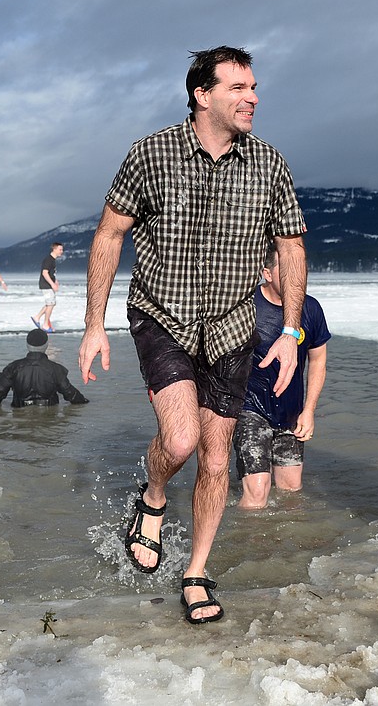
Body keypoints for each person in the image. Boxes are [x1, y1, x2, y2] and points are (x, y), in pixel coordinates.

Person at [79, 46, 307, 625]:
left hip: (232, 326)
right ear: (202, 95)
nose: (251, 96)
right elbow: (109, 235)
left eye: (254, 87)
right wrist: (93, 324)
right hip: (164, 314)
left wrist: (291, 331)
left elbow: (292, 246)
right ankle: (152, 498)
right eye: (237, 87)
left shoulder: (269, 164)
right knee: (179, 441)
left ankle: (196, 572)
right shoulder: (150, 154)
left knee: (215, 458)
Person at [233, 245, 330, 509]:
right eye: (287, 269)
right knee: (257, 493)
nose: (297, 275)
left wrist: (308, 411)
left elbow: (318, 360)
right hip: (249, 408)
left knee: (291, 492)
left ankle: (286, 550)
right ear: (267, 273)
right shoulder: (247, 306)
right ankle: (247, 546)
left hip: (291, 413)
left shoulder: (310, 308)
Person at [0, 328, 89, 407]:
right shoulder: (56, 369)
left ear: (27, 345)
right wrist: (85, 401)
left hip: (21, 418)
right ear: (46, 345)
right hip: (49, 418)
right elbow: (72, 395)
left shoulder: (13, 367)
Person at [32, 242, 64, 331]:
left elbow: (51, 273)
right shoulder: (48, 260)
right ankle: (45, 324)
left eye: (62, 249)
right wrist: (52, 284)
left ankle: (37, 317)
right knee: (50, 304)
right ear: (54, 249)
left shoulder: (52, 260)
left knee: (51, 303)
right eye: (60, 249)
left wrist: (55, 281)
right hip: (46, 285)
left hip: (48, 284)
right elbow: (44, 273)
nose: (62, 251)